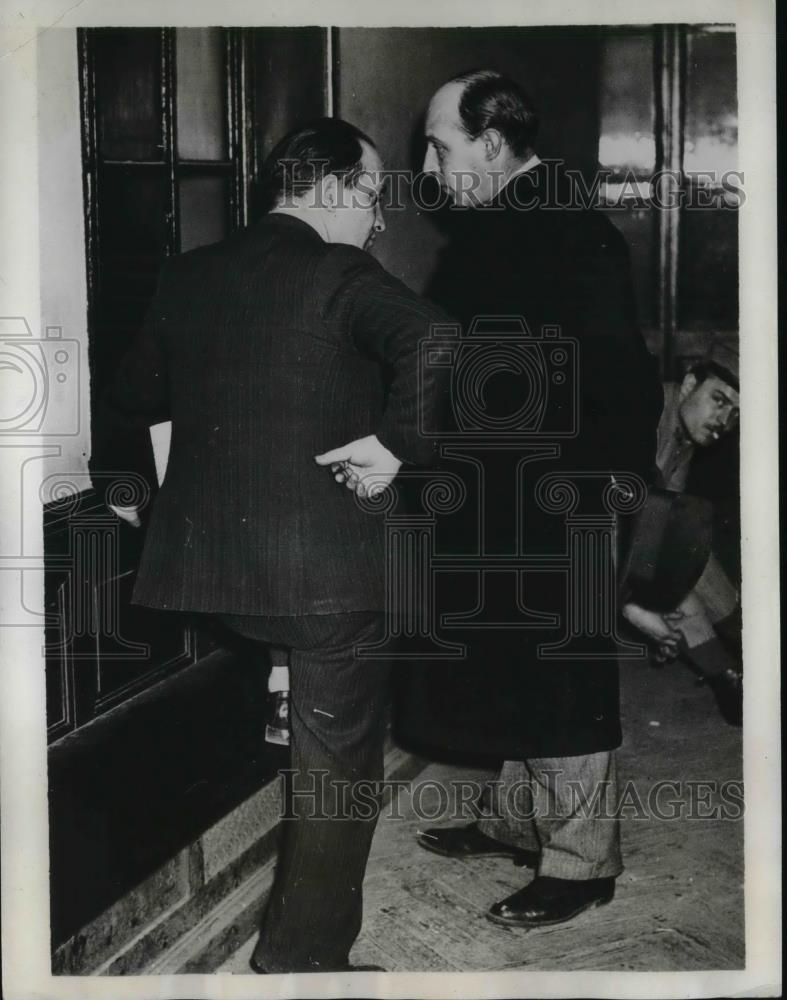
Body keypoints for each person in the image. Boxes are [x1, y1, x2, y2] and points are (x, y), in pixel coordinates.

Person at [90, 118, 449, 973]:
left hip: (208, 576)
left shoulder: (190, 273)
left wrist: (131, 495)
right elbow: (438, 339)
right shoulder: (338, 274)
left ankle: (285, 690)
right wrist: (397, 447)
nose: (376, 221)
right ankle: (302, 961)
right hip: (324, 585)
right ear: (326, 191)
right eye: (369, 198)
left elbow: (127, 396)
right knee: (336, 774)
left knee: (295, 671)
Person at [411, 70, 663, 928]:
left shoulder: (554, 229)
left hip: (560, 494)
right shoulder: (521, 225)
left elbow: (616, 379)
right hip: (520, 487)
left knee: (561, 675)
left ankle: (582, 862)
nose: (428, 165)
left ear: (489, 144)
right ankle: (516, 821)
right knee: (523, 661)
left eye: (439, 145)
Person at [621, 341, 742, 724]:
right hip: (547, 541)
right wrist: (633, 606)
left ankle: (737, 662)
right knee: (676, 539)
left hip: (609, 543)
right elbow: (591, 526)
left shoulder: (685, 433)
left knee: (681, 535)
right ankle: (730, 672)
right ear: (690, 385)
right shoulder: (642, 415)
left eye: (736, 413)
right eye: (719, 400)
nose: (725, 421)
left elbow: (655, 533)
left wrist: (653, 596)